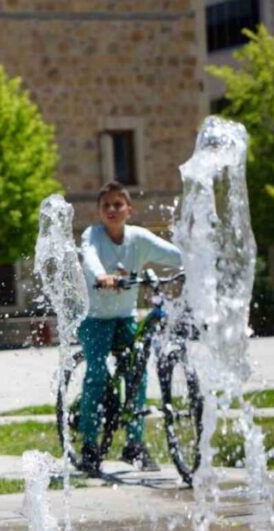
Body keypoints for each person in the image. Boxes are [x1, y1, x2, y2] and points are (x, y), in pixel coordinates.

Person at [77, 180, 181, 474]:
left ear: (129, 210)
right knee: (97, 374)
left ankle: (134, 445)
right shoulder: (93, 235)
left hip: (125, 317)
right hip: (94, 318)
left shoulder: (139, 239)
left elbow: (172, 254)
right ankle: (89, 445)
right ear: (99, 212)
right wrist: (101, 276)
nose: (112, 209)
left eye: (117, 204)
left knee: (136, 376)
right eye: (106, 205)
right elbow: (90, 258)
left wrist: (195, 264)